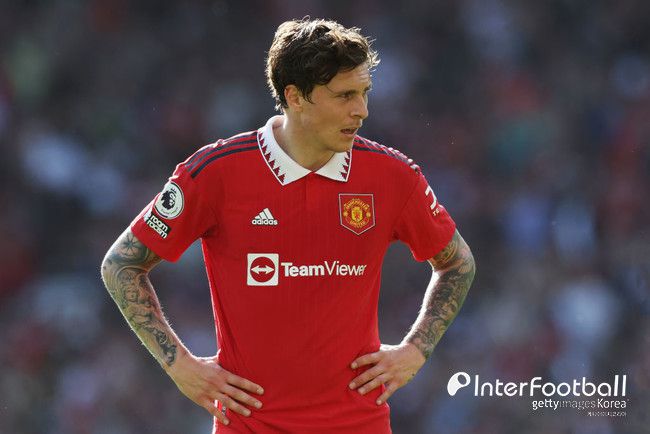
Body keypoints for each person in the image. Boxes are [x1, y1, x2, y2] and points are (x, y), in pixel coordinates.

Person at [101, 17, 475, 434]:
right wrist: (180, 366)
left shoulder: (393, 176)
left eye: (365, 92)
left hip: (359, 425)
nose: (362, 110)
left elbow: (457, 263)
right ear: (296, 96)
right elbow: (121, 265)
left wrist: (415, 351)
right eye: (345, 95)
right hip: (248, 427)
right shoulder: (215, 173)